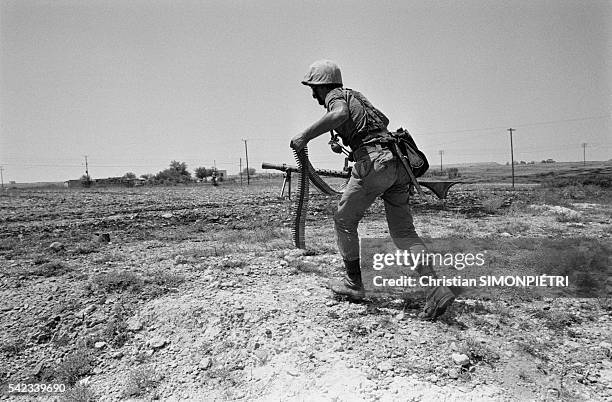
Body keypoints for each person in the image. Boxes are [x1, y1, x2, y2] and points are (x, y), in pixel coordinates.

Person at [290, 59, 456, 320]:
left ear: (322, 86)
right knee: (403, 232)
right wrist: (347, 140)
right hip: (398, 164)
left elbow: (340, 115)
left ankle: (354, 283)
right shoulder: (358, 97)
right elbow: (380, 122)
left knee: (343, 220)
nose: (313, 95)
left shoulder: (335, 95)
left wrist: (304, 136)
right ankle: (436, 289)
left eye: (314, 88)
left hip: (376, 162)